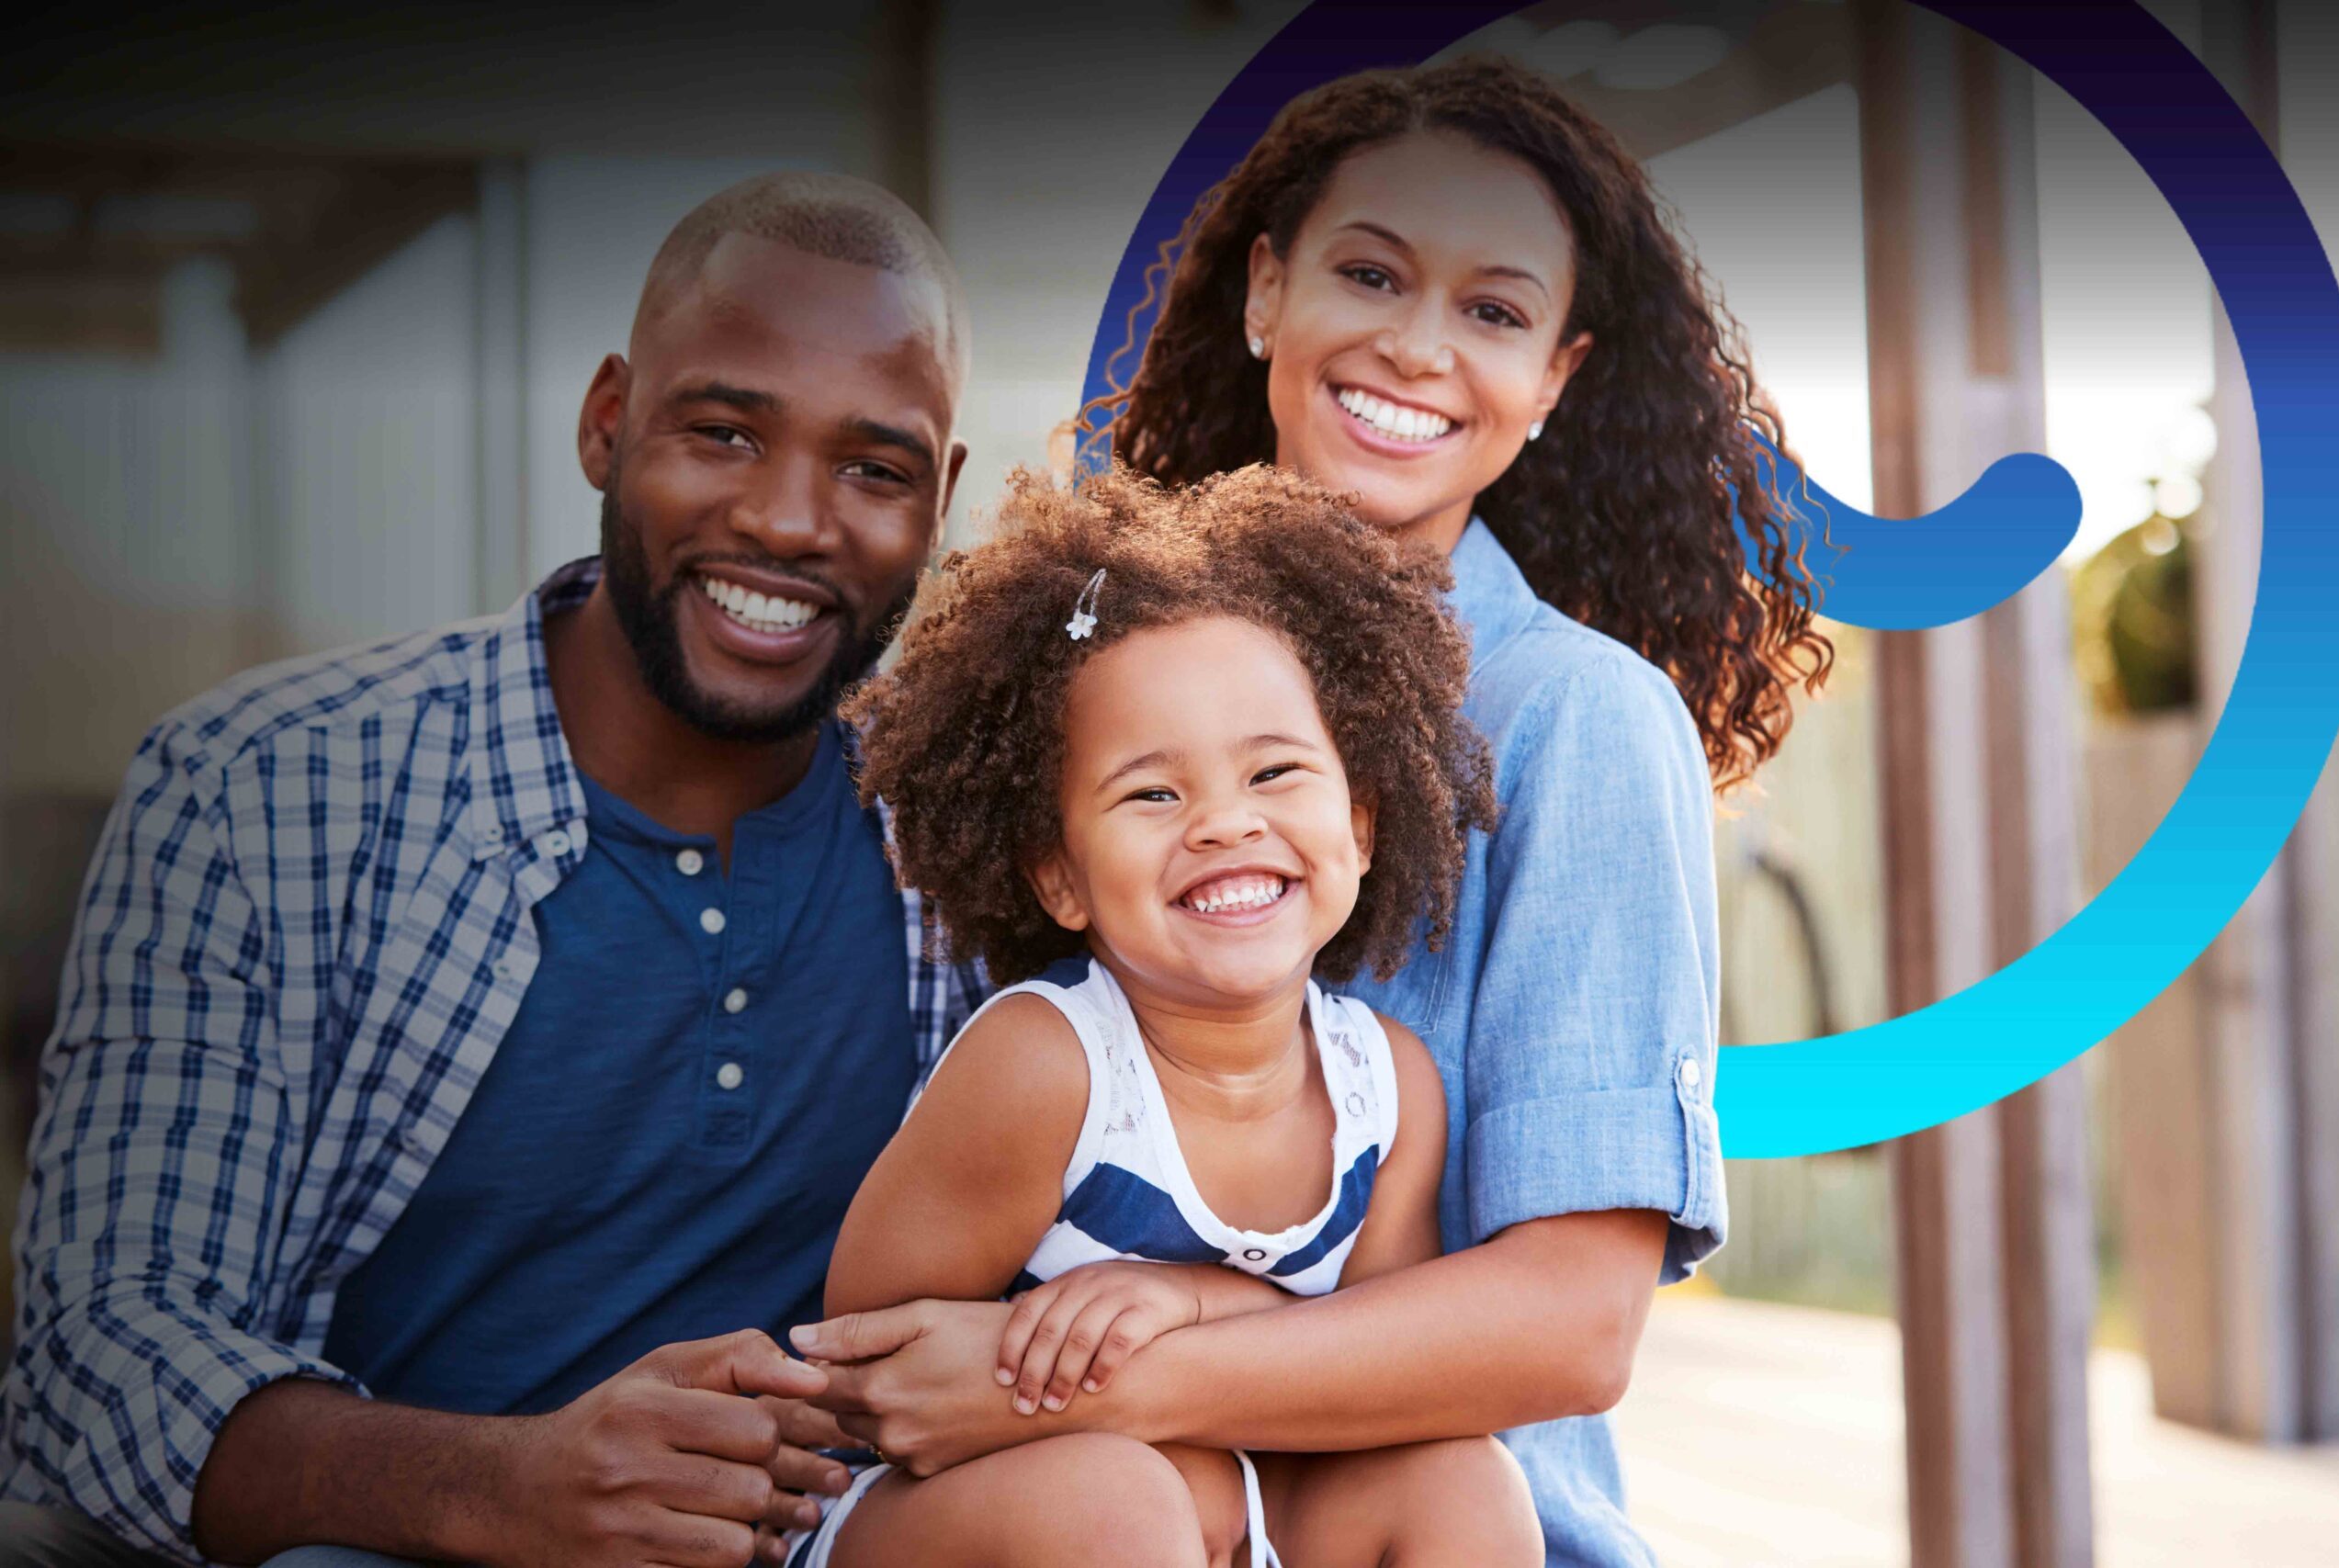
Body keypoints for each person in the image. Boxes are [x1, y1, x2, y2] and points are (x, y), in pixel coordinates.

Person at [788, 55, 1832, 1567]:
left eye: (1494, 310)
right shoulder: (1087, 656)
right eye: (1370, 272)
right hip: (1080, 1509)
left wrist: (1086, 1379)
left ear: (1555, 375)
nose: (1418, 346)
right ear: (1266, 292)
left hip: (1418, 1515)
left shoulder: (1574, 720)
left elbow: (1573, 1322)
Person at [0, 172, 987, 1568]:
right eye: (722, 431)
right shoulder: (260, 790)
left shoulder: (982, 835)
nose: (787, 519)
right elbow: (95, 1353)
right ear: (605, 421)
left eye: (872, 468)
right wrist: (508, 1488)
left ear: (938, 498)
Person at [797, 464, 1531, 1568]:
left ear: (1363, 825)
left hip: (1232, 1500)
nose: (1225, 825)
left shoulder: (1388, 1088)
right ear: (1059, 877)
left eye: (1275, 772)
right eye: (1153, 793)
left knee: (1462, 1478)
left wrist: (1189, 1298)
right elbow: (870, 1368)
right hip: (965, 1524)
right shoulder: (1047, 1068)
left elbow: (1378, 1373)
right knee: (1115, 1500)